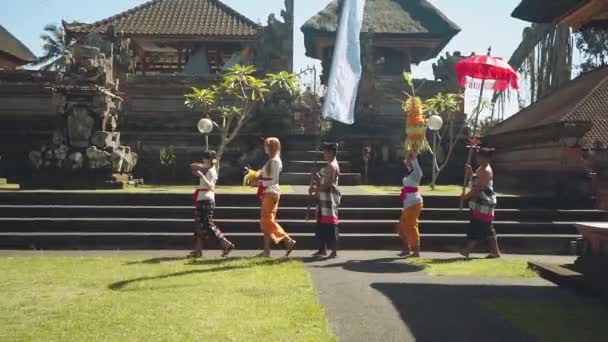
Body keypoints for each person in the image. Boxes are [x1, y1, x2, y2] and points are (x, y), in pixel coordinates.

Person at [189, 150, 234, 258]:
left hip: (205, 198)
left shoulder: (209, 171)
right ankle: (198, 250)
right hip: (204, 198)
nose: (203, 160)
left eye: (204, 158)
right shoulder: (211, 169)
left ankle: (225, 243)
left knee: (207, 225)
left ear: (208, 159)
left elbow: (210, 186)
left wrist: (201, 175)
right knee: (199, 225)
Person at [257, 137, 296, 257]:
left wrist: (259, 183)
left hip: (270, 192)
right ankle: (267, 250)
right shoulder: (273, 160)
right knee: (267, 222)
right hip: (270, 192)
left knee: (266, 221)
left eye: (266, 145)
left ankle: (287, 240)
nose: (265, 148)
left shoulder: (274, 161)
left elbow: (272, 180)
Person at [461, 147, 501, 259]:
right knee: (488, 229)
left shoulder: (486, 170)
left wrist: (465, 197)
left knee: (478, 225)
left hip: (484, 203)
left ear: (486, 158)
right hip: (481, 203)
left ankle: (467, 250)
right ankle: (495, 252)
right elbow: (475, 181)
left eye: (480, 157)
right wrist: (470, 174)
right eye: (478, 156)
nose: (478, 159)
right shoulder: (481, 168)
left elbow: (477, 188)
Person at [309, 142, 341, 258]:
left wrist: (315, 189)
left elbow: (327, 184)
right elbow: (322, 180)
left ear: (331, 152)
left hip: (329, 199)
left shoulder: (333, 166)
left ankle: (334, 250)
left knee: (330, 225)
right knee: (321, 225)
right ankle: (322, 249)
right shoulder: (329, 165)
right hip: (323, 199)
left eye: (325, 152)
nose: (324, 154)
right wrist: (316, 176)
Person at [396, 150, 423, 258]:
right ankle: (407, 249)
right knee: (401, 227)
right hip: (408, 203)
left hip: (414, 202)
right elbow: (407, 162)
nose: (407, 161)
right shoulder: (411, 172)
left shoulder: (417, 173)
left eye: (410, 159)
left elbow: (413, 162)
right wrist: (408, 152)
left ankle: (416, 251)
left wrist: (414, 156)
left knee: (411, 226)